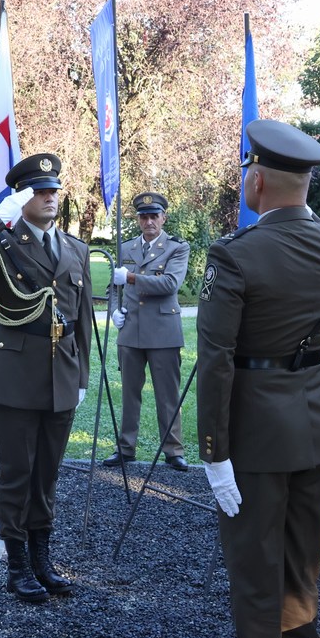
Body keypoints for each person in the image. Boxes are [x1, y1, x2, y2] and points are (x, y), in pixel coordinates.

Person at [196, 119, 320, 638]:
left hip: (256, 429)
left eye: (247, 171)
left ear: (258, 179)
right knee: (302, 555)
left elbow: (216, 360)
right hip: (315, 418)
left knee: (255, 559)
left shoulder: (235, 255)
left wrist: (214, 451)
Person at [0, 153, 91, 603]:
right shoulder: (1, 244)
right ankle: (17, 565)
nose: (50, 198)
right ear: (22, 198)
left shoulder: (75, 248)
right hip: (15, 373)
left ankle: (42, 558)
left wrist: (82, 376)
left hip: (62, 374)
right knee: (16, 473)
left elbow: (82, 318)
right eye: (39, 191)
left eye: (53, 190)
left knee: (46, 474)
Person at [104, 191, 190, 471]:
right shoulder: (126, 247)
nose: (149, 222)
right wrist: (114, 311)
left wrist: (130, 277)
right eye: (144, 217)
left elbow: (170, 284)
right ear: (138, 219)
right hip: (130, 330)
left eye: (154, 216)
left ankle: (173, 449)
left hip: (163, 331)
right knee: (129, 393)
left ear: (164, 218)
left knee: (167, 394)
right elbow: (113, 289)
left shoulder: (176, 248)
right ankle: (125, 447)